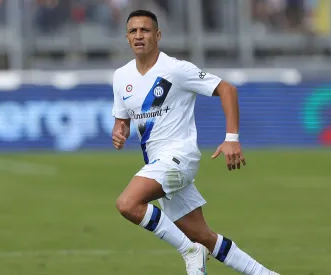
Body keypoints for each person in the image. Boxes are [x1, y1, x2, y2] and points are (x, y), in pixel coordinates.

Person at [112, 9, 280, 275]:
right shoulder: (121, 77)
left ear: (158, 35)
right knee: (203, 236)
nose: (139, 35)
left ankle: (189, 251)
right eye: (133, 31)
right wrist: (119, 131)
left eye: (145, 30)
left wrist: (232, 139)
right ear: (126, 37)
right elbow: (122, 121)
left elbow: (227, 89)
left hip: (179, 157)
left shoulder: (175, 70)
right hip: (158, 162)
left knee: (128, 204)